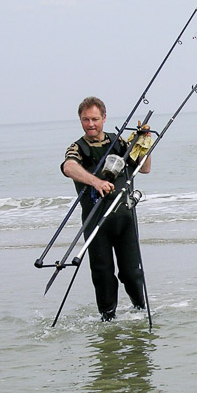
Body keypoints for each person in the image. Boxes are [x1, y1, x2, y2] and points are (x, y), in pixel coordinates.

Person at [61, 97, 152, 321]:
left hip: (125, 217)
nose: (90, 124)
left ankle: (140, 310)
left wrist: (145, 144)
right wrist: (96, 182)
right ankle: (108, 319)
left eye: (95, 119)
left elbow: (145, 169)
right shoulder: (77, 148)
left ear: (104, 118)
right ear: (80, 120)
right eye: (85, 120)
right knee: (102, 273)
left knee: (132, 273)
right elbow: (68, 167)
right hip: (96, 221)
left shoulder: (119, 142)